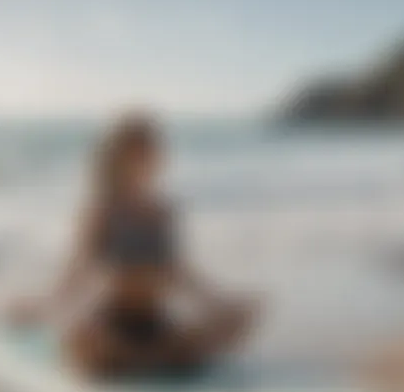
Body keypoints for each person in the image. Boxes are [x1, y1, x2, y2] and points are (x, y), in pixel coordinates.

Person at [48, 113, 256, 378]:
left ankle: (149, 355)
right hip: (113, 319)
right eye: (137, 151)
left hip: (155, 320)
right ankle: (144, 356)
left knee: (234, 321)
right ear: (117, 158)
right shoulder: (102, 211)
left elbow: (181, 272)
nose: (147, 159)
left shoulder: (164, 212)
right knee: (88, 349)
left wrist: (221, 303)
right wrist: (47, 306)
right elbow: (78, 268)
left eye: (150, 150)